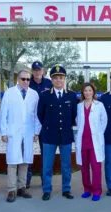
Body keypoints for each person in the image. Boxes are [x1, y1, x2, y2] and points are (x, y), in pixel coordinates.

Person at [0, 70, 41, 203]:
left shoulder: (34, 94)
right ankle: (11, 189)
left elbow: (36, 115)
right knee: (12, 161)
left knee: (25, 160)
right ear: (18, 79)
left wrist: (36, 132)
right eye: (23, 79)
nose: (25, 82)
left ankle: (22, 187)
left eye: (28, 79)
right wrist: (4, 132)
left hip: (28, 132)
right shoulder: (9, 93)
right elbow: (3, 113)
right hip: (13, 132)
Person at [37, 65, 77, 201]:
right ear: (52, 80)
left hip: (65, 135)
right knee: (47, 165)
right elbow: (40, 114)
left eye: (61, 78)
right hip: (49, 135)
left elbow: (73, 116)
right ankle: (47, 190)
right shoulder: (44, 95)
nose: (58, 80)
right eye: (55, 78)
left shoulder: (71, 96)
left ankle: (66, 189)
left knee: (66, 165)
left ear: (65, 79)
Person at [75, 83, 107, 201]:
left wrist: (98, 133)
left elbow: (104, 121)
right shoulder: (79, 106)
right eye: (85, 90)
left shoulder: (99, 105)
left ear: (93, 92)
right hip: (83, 141)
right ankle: (87, 189)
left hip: (95, 142)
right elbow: (77, 121)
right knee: (84, 168)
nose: (87, 93)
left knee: (96, 167)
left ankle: (97, 191)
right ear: (83, 93)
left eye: (90, 90)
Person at [27, 61, 52, 188]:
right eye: (35, 69)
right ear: (32, 71)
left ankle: (45, 181)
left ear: (43, 70)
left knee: (45, 154)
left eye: (39, 69)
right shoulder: (27, 82)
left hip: (44, 124)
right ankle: (26, 180)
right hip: (29, 123)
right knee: (27, 152)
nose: (37, 72)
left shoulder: (49, 83)